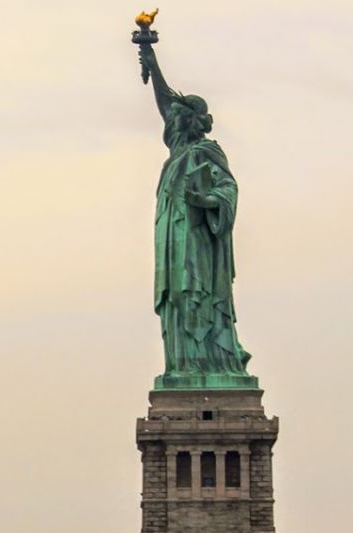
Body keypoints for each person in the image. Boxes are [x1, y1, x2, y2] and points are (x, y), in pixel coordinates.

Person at [137, 42, 252, 383]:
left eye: (175, 118)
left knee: (195, 294)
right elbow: (164, 103)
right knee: (177, 297)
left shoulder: (206, 152)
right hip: (173, 240)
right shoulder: (177, 153)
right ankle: (184, 365)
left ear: (187, 122)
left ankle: (211, 362)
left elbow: (228, 189)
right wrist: (149, 56)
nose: (168, 122)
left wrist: (204, 200)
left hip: (198, 240)